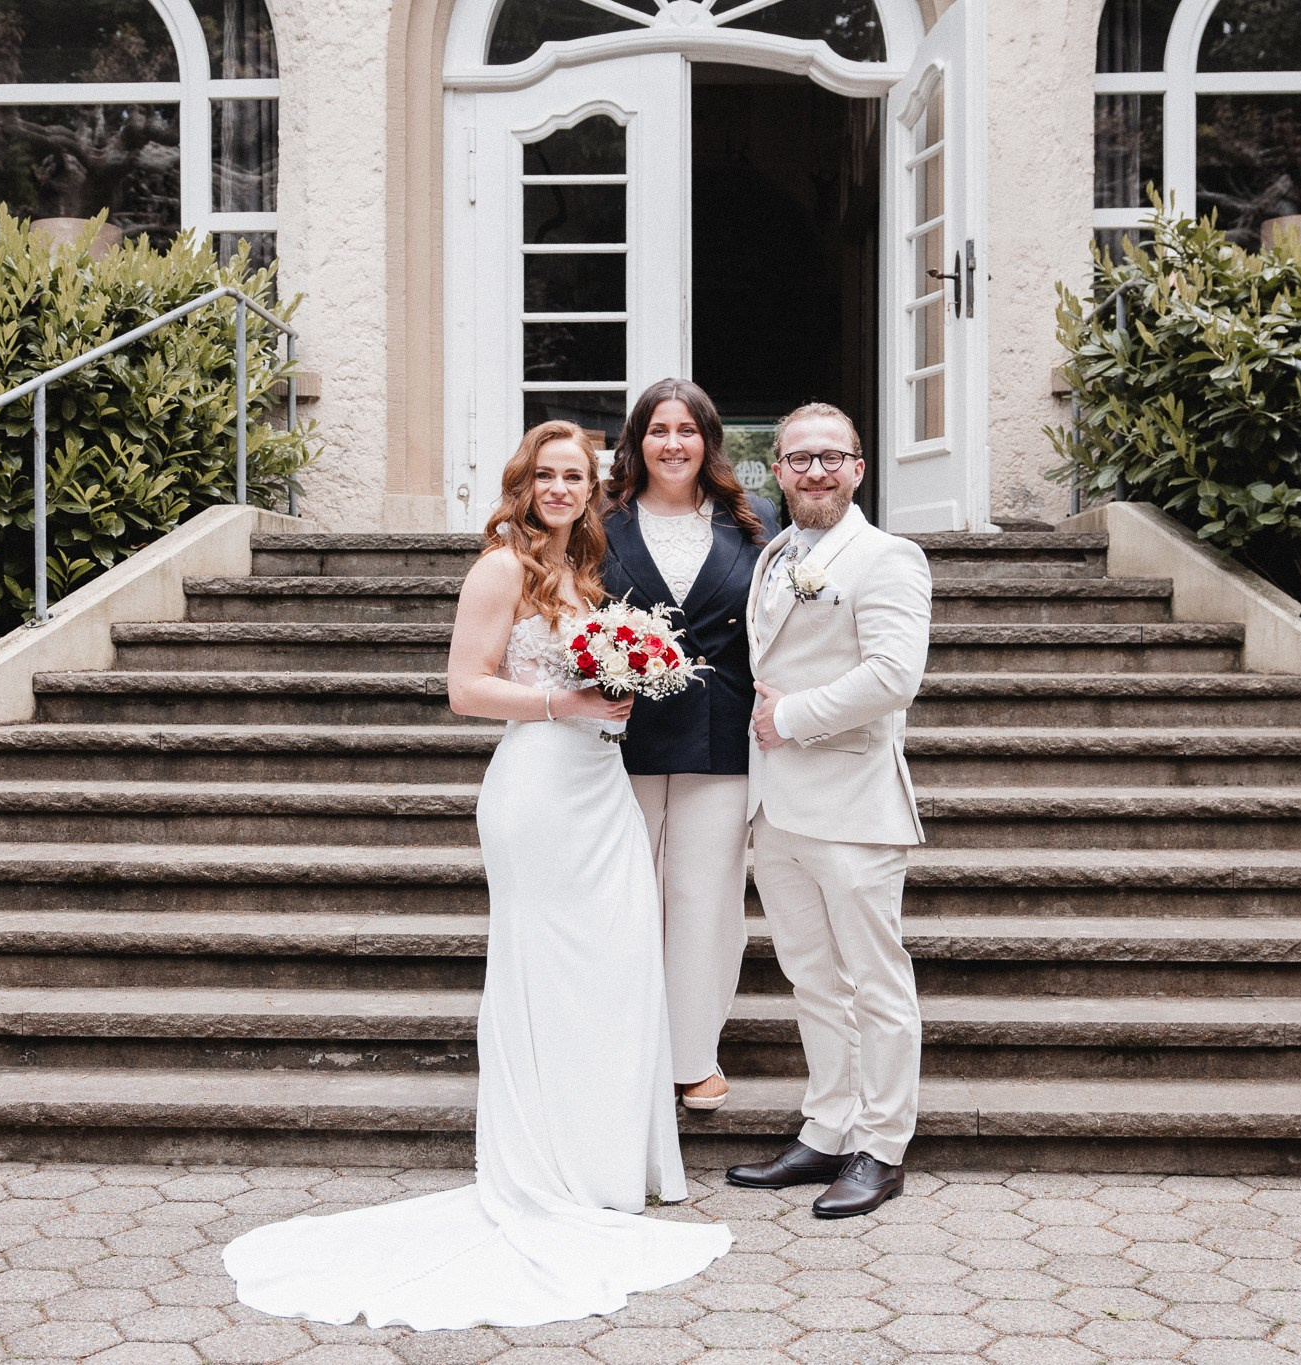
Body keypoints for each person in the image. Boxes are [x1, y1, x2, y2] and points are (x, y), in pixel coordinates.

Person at [223, 421, 733, 1328]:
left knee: (611, 974)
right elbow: (465, 686)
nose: (562, 488)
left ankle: (604, 1165)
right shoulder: (501, 565)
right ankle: (544, 1170)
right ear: (524, 481)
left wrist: (621, 692)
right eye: (547, 474)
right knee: (541, 975)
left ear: (594, 485)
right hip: (535, 793)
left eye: (576, 474)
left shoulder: (587, 569)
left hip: (599, 789)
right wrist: (561, 701)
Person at [725, 401, 932, 1220]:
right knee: (814, 980)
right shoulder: (776, 552)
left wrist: (793, 717)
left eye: (831, 457)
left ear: (858, 468)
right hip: (776, 806)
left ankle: (881, 1150)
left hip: (852, 802)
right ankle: (827, 1126)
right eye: (799, 458)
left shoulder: (888, 558)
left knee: (877, 985)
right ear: (776, 469)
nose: (815, 471)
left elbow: (893, 677)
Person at [601, 379, 778, 1113]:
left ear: (709, 440)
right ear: (637, 441)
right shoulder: (599, 521)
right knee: (623, 894)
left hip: (721, 733)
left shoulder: (756, 519)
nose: (673, 443)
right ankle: (622, 1049)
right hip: (620, 732)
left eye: (687, 429)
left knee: (705, 900)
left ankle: (693, 1057)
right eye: (657, 429)